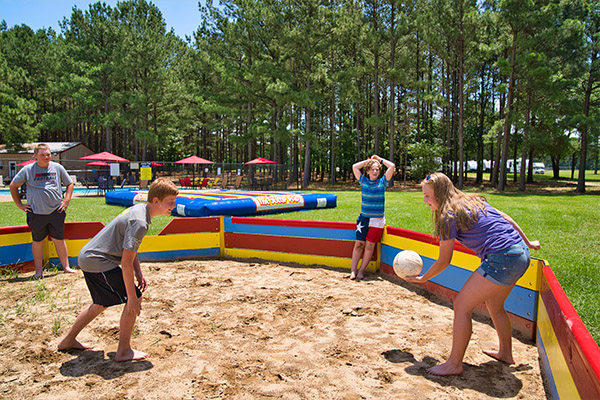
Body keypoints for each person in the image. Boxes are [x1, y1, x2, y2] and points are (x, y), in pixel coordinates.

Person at [405, 172, 540, 376]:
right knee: (495, 306)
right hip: (520, 254)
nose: (425, 201)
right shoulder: (472, 199)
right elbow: (506, 218)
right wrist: (528, 242)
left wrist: (423, 278)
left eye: (427, 196)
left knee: (462, 305)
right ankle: (505, 353)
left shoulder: (447, 215)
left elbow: (444, 260)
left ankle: (454, 364)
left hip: (502, 258)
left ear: (440, 194)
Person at [58, 178, 178, 361]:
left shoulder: (139, 210)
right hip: (98, 261)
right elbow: (126, 262)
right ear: (156, 201)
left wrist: (139, 272)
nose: (174, 206)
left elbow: (129, 248)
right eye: (170, 202)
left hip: (89, 257)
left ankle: (67, 340)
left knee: (100, 303)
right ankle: (123, 351)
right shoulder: (140, 222)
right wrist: (132, 297)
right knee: (134, 297)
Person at [9, 143, 77, 278]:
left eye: (48, 154)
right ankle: (38, 271)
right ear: (35, 156)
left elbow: (69, 183)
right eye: (42, 155)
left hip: (56, 211)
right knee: (38, 240)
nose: (46, 157)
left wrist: (66, 201)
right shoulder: (28, 170)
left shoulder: (57, 168)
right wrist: (19, 205)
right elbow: (13, 185)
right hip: (36, 212)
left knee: (59, 240)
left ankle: (66, 267)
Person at [350, 155, 395, 280]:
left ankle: (361, 271)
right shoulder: (363, 181)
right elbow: (354, 167)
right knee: (359, 244)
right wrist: (369, 161)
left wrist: (379, 159)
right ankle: (353, 270)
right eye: (372, 169)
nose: (375, 172)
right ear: (368, 171)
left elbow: (392, 166)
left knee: (370, 246)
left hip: (377, 221)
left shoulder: (383, 182)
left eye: (377, 169)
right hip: (364, 219)